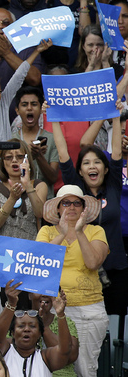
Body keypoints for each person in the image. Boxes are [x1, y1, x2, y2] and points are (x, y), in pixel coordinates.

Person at [36, 185, 108, 377]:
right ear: (57, 208)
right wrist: (63, 233)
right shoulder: (46, 231)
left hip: (88, 309)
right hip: (51, 310)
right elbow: (40, 260)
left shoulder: (95, 230)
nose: (71, 207)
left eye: (76, 203)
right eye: (65, 203)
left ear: (84, 207)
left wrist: (78, 233)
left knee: (84, 366)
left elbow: (92, 262)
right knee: (49, 366)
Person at [53, 105, 126, 313]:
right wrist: (55, 118)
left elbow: (117, 152)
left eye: (97, 162)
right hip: (85, 267)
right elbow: (62, 152)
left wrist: (115, 118)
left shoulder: (113, 185)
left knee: (115, 318)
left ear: (105, 168)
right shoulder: (76, 190)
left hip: (115, 265)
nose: (92, 166)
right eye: (86, 163)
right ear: (80, 171)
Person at [0, 280, 72, 377]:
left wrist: (60, 314)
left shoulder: (46, 358)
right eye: (21, 326)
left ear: (40, 333)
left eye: (32, 326)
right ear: (12, 333)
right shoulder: (4, 351)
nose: (26, 329)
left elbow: (65, 351)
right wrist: (11, 304)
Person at [0, 140, 48, 241]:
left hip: (28, 250)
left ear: (27, 160)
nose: (14, 160)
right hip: (2, 249)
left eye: (20, 156)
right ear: (3, 162)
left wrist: (28, 185)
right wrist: (12, 198)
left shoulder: (39, 185)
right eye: (8, 157)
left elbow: (39, 213)